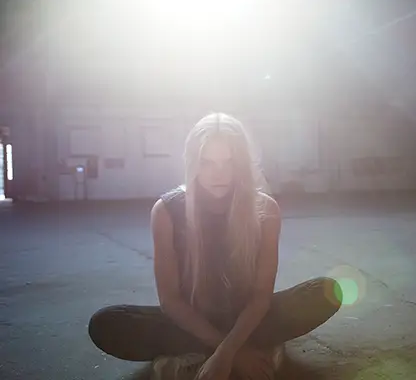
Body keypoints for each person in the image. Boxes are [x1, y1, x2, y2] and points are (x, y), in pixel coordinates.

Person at [88, 113, 342, 379]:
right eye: (207, 162)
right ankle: (257, 352)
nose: (218, 173)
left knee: (326, 291)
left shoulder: (265, 209)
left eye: (228, 162)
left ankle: (188, 362)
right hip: (190, 321)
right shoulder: (166, 211)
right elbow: (171, 301)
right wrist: (236, 353)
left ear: (241, 164)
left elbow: (260, 296)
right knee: (107, 323)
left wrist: (226, 351)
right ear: (193, 163)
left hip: (247, 317)